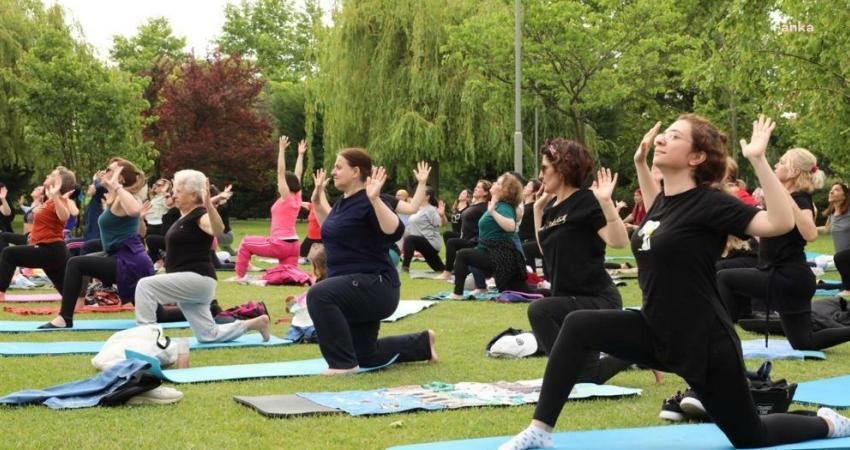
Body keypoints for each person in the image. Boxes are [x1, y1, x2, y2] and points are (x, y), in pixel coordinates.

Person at [499, 115, 850, 450]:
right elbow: (655, 219)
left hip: (703, 344)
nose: (664, 138)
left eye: (675, 136)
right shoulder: (665, 204)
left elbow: (778, 222)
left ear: (696, 157)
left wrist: (758, 160)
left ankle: (828, 423)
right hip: (653, 330)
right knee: (578, 325)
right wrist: (640, 163)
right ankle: (539, 430)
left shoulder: (710, 203)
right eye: (665, 132)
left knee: (750, 436)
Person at [525, 138, 655, 385]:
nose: (541, 175)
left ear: (562, 168)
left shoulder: (586, 201)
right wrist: (537, 211)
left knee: (539, 309)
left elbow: (618, 241)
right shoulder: (551, 208)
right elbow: (546, 249)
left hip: (597, 300)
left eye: (544, 168)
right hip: (569, 300)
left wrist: (607, 204)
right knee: (586, 378)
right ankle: (645, 351)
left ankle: (560, 372)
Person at [306, 148, 437, 375]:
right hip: (353, 289)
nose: (333, 172)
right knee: (367, 356)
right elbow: (330, 228)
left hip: (375, 285)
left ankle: (342, 365)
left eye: (339, 167)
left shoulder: (370, 199)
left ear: (355, 171)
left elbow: (395, 230)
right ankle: (422, 343)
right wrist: (317, 198)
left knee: (318, 294)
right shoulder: (341, 203)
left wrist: (375, 199)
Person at [717, 148, 850, 349]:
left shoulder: (800, 199)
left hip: (786, 277)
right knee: (803, 342)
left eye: (781, 162)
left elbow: (811, 234)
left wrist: (784, 196)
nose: (776, 165)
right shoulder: (781, 197)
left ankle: (721, 338)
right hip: (790, 279)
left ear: (794, 171)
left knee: (724, 277)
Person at [134, 169, 270, 342]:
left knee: (145, 286)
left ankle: (147, 339)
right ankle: (256, 323)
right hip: (193, 283)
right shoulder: (184, 216)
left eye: (178, 191)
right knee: (208, 335)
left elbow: (217, 230)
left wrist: (208, 203)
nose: (173, 195)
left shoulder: (200, 216)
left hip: (196, 279)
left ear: (193, 196)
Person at [40, 158, 153, 329]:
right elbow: (139, 231)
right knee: (157, 314)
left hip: (129, 261)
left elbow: (135, 210)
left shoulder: (126, 196)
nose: (105, 171)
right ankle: (75, 304)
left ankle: (65, 317)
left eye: (110, 169)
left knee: (76, 262)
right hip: (120, 256)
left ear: (120, 178)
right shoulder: (115, 198)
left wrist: (117, 188)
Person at [232, 136, 309, 281]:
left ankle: (239, 276)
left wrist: (281, 149)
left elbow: (281, 172)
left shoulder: (286, 197)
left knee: (246, 243)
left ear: (285, 184)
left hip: (279, 244)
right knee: (287, 275)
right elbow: (298, 174)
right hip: (294, 247)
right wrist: (300, 155)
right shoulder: (297, 197)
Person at [0, 167, 76, 302]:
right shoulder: (51, 200)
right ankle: (85, 299)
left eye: (52, 175)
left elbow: (64, 216)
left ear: (59, 182)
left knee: (9, 253)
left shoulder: (59, 200)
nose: (47, 175)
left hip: (50, 249)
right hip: (51, 251)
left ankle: (0, 294)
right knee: (70, 295)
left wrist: (56, 196)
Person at [448, 173, 528, 298]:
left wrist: (493, 212)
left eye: (498, 183)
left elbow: (511, 226)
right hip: (491, 251)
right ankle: (480, 287)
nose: (494, 183)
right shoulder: (497, 204)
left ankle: (457, 294)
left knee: (463, 255)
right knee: (470, 254)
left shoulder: (503, 206)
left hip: (499, 255)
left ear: (504, 189)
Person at [434, 180, 491, 281]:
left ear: (486, 192)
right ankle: (452, 266)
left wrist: (477, 239)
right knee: (449, 236)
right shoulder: (474, 205)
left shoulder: (484, 208)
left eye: (479, 187)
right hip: (465, 237)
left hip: (473, 241)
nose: (475, 188)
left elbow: (486, 225)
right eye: (476, 186)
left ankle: (447, 272)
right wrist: (442, 215)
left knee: (452, 242)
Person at [400, 186, 445, 273]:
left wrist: (441, 215)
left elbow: (439, 224)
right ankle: (455, 268)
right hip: (420, 242)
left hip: (431, 242)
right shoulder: (416, 209)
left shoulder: (431, 209)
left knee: (410, 239)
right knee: (440, 268)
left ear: (427, 197)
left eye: (421, 192)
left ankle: (405, 267)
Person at [819, 183, 850, 296]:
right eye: (831, 190)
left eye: (836, 190)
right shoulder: (832, 214)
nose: (831, 192)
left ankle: (848, 290)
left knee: (839, 257)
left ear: (845, 195)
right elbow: (826, 229)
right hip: (844, 259)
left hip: (844, 257)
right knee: (841, 285)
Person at [519, 180, 543, 273]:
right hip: (523, 242)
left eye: (528, 186)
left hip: (531, 241)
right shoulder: (524, 207)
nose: (524, 187)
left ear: (534, 192)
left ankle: (538, 279)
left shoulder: (534, 207)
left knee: (537, 268)